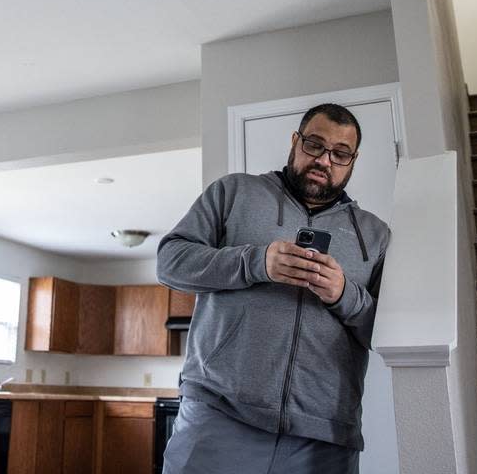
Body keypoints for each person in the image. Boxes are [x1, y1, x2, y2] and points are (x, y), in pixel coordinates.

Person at [157, 102, 391, 473]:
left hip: (323, 439)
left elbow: (387, 332)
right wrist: (255, 263)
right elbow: (170, 262)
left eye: (340, 153)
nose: (324, 160)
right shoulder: (233, 193)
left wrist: (343, 294)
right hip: (218, 417)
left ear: (353, 160)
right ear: (295, 141)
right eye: (314, 145)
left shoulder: (375, 235)